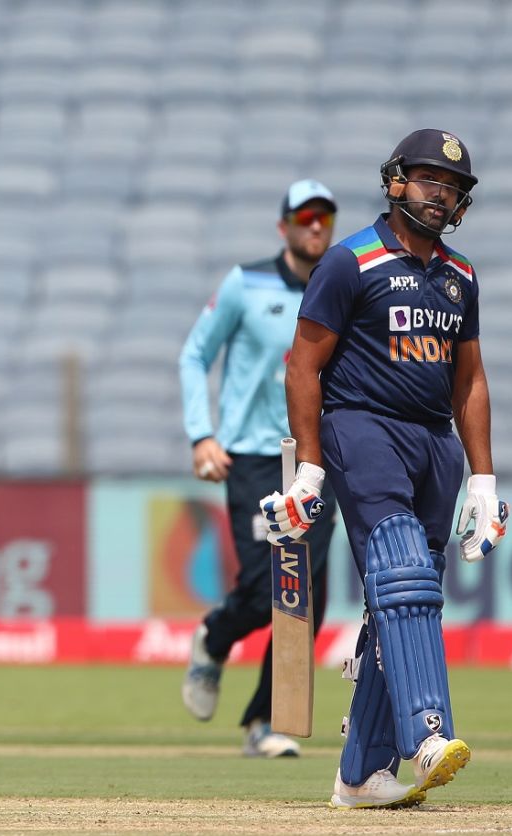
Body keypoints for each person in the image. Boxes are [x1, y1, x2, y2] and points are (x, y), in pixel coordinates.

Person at [261, 129, 509, 809]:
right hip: (361, 424)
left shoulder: (460, 276)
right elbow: (303, 367)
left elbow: (470, 380)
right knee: (400, 566)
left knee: (405, 597)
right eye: (429, 180)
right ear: (396, 182)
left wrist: (484, 481)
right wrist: (309, 469)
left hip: (435, 443)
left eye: (453, 187)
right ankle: (429, 733)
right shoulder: (351, 262)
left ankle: (362, 773)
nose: (442, 194)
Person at [178, 179, 340, 758]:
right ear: (284, 227)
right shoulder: (246, 284)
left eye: (324, 216)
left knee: (308, 592)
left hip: (317, 458)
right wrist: (202, 435)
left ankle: (265, 724)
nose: (315, 225)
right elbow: (196, 354)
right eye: (304, 217)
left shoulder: (345, 286)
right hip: (252, 454)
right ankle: (214, 639)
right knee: (266, 586)